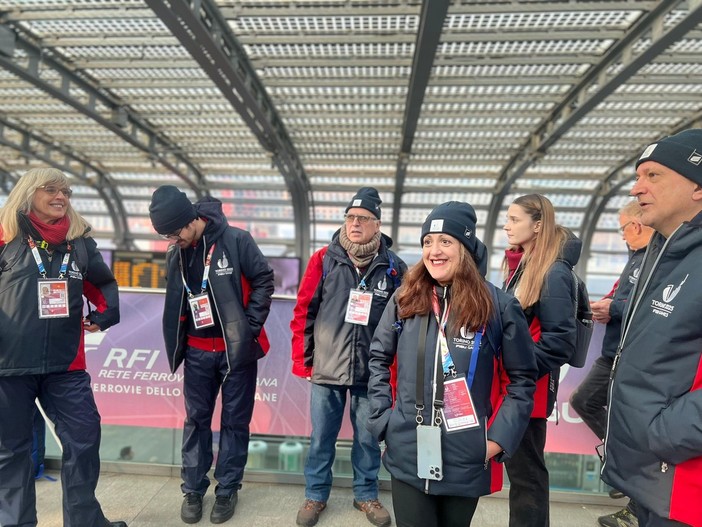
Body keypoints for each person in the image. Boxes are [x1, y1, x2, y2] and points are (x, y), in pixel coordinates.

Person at [366, 201, 537, 527]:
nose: (434, 251)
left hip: (466, 455)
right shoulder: (406, 297)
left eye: (446, 241)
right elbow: (378, 358)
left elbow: (523, 380)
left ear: (466, 248)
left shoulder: (499, 306)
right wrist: (382, 420)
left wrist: (497, 440)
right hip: (409, 448)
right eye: (428, 242)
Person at [0, 168, 124, 527]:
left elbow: (103, 286)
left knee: (84, 440)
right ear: (28, 193)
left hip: (66, 366)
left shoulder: (80, 241)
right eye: (51, 189)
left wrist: (104, 315)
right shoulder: (6, 234)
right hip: (8, 367)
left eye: (66, 191)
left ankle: (84, 521)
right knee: (12, 452)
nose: (61, 197)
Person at [148, 185, 275, 525]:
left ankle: (227, 489)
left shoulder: (236, 240)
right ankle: (192, 489)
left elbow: (264, 279)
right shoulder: (177, 250)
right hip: (197, 352)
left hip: (236, 352)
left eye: (174, 233)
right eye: (166, 237)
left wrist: (248, 327)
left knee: (234, 423)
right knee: (196, 421)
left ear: (190, 220)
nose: (172, 241)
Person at [602, 128, 702, 527]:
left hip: (685, 488)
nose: (636, 188)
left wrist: (662, 434)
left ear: (697, 187)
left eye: (653, 176)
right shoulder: (663, 253)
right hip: (652, 478)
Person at [290, 187, 407, 527]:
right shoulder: (324, 259)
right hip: (326, 367)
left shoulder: (395, 268)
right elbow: (303, 312)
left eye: (363, 219)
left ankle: (366, 495)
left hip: (371, 373)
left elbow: (402, 324)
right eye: (350, 217)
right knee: (321, 438)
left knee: (368, 439)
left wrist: (392, 372)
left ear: (377, 224)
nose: (355, 224)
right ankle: (315, 495)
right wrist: (304, 360)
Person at [570, 200, 653, 527]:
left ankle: (626, 476)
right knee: (587, 401)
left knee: (599, 406)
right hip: (616, 351)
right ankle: (622, 467)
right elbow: (625, 297)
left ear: (636, 225)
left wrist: (612, 308)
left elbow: (643, 302)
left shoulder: (654, 257)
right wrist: (608, 305)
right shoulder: (637, 258)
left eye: (622, 228)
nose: (621, 236)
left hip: (630, 353)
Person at [501, 193, 580, 527]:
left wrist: (518, 366)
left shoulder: (553, 273)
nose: (506, 225)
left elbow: (560, 342)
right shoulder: (528, 266)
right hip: (520, 388)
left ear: (538, 225)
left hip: (528, 390)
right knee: (523, 474)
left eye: (514, 219)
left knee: (527, 476)